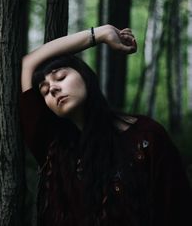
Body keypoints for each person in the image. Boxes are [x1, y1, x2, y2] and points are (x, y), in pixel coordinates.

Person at [20, 25, 192, 226]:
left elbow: (178, 210)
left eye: (60, 77)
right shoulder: (52, 147)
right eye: (45, 91)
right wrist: (99, 35)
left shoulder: (147, 136)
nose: (54, 89)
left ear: (85, 76)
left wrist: (103, 33)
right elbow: (27, 64)